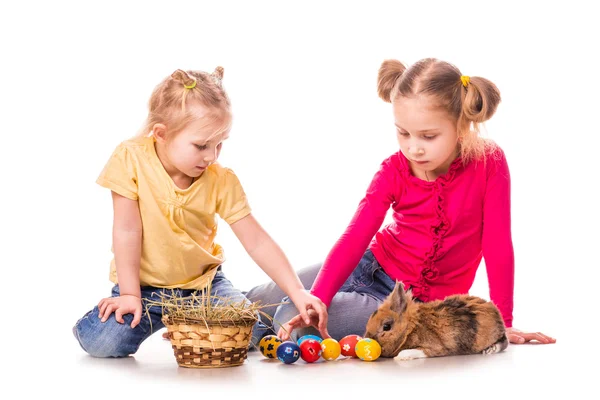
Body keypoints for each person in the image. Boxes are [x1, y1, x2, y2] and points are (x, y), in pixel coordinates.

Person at [246, 58, 556, 346]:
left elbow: (497, 243)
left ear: (461, 125)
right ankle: (219, 314)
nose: (413, 148)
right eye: (403, 133)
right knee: (268, 295)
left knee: (291, 317)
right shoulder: (394, 169)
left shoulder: (489, 161)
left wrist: (503, 322)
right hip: (369, 264)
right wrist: (321, 296)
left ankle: (258, 330)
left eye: (428, 136)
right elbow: (356, 236)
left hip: (411, 307)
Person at [72, 67, 327, 357]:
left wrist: (296, 291)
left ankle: (222, 309)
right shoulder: (130, 159)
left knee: (251, 332)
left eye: (220, 144)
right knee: (103, 343)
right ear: (161, 134)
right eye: (202, 145)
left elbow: (256, 240)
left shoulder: (220, 179)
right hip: (144, 289)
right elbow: (127, 229)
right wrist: (130, 294)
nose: (211, 156)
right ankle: (187, 319)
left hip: (202, 287)